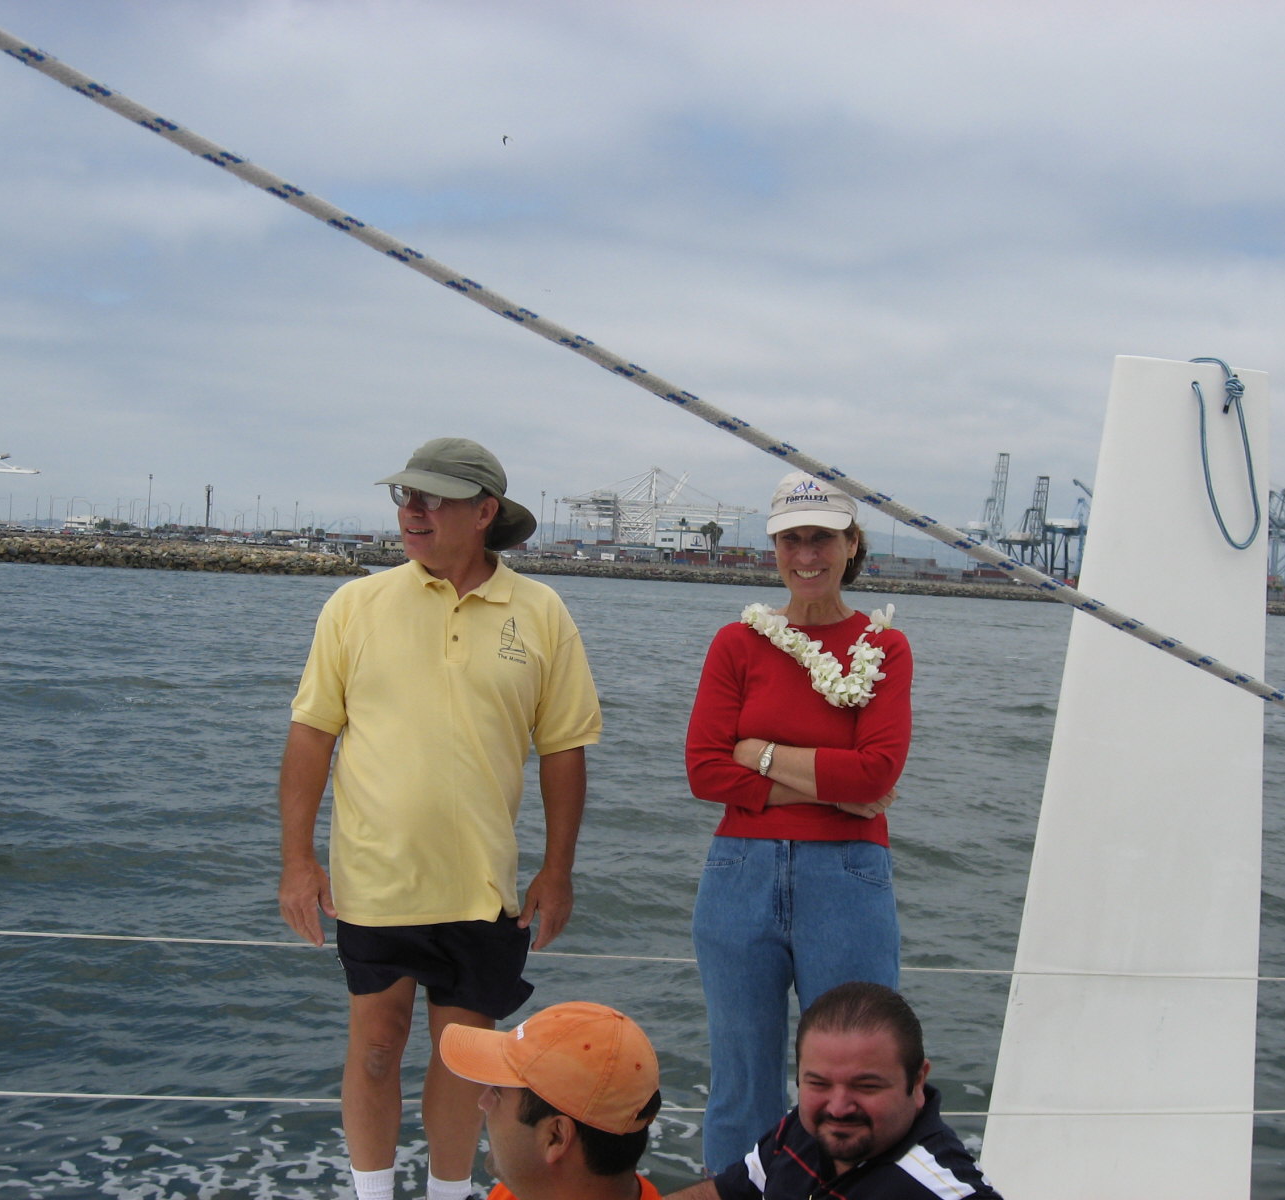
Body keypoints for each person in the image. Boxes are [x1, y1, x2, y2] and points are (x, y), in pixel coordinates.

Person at [277, 437, 602, 1200]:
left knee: (465, 1064)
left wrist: (557, 871)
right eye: (405, 496)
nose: (411, 510)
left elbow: (564, 750)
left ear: (485, 513)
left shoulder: (543, 613)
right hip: (374, 880)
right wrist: (297, 861)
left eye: (432, 498)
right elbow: (311, 736)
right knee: (376, 1049)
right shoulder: (354, 605)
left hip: (483, 888)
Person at [684, 471, 913, 1172]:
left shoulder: (886, 648)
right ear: (774, 549)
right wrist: (827, 788)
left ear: (852, 545)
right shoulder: (736, 643)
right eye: (791, 540)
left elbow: (875, 776)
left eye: (821, 539)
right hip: (738, 876)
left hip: (848, 879)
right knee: (740, 1082)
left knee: (857, 1080)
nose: (806, 555)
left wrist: (759, 755)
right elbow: (704, 770)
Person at [664, 982, 1003, 1200]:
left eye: (866, 1086)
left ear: (917, 1081)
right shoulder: (803, 1131)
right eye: (819, 1083)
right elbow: (728, 1193)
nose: (838, 1108)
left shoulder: (938, 1189)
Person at [439, 1000, 665, 1200]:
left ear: (556, 1136)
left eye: (497, 1093)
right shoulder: (525, 1189)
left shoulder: (525, 1189)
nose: (483, 1102)